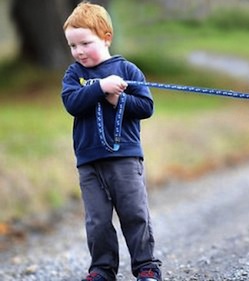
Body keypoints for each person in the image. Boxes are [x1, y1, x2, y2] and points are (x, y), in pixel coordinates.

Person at [61, 2, 162, 281]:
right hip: (89, 162)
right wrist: (100, 87)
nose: (78, 51)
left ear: (106, 37)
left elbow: (146, 107)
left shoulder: (127, 70)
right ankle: (102, 270)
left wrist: (120, 98)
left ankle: (146, 267)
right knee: (97, 221)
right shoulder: (74, 75)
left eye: (85, 43)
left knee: (134, 214)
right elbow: (72, 102)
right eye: (72, 46)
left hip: (125, 159)